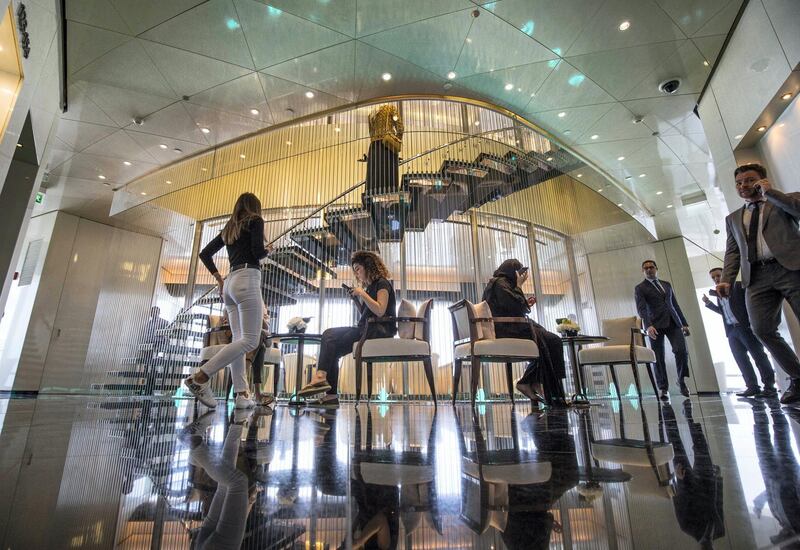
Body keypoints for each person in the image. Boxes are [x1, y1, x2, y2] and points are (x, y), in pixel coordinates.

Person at [717, 163, 800, 405]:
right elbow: (733, 252)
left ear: (762, 180)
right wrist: (726, 279)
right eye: (740, 182)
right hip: (756, 277)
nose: (744, 186)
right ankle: (797, 377)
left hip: (790, 269)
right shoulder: (733, 218)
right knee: (762, 329)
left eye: (749, 180)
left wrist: (770, 193)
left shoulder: (783, 201)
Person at [184, 192, 271, 410]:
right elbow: (257, 252)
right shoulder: (256, 220)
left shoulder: (230, 227)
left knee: (239, 340)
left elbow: (205, 254)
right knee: (251, 341)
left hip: (230, 283)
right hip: (247, 278)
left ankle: (242, 394)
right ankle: (200, 377)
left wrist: (218, 278)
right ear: (255, 207)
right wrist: (268, 250)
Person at [298, 251, 396, 407]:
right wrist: (357, 299)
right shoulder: (370, 287)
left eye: (358, 269)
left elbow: (380, 311)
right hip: (368, 328)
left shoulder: (382, 283)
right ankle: (331, 397)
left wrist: (362, 293)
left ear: (368, 266)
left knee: (329, 334)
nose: (356, 273)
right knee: (333, 350)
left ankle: (320, 376)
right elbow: (366, 314)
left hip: (379, 330)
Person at [482, 259, 566, 406]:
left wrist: (525, 301)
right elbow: (517, 307)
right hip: (507, 328)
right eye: (519, 272)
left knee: (551, 341)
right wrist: (520, 286)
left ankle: (531, 382)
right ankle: (543, 389)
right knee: (551, 341)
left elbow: (516, 306)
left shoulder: (503, 284)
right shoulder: (500, 283)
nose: (520, 276)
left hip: (512, 326)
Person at [703, 267, 776, 398]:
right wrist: (708, 303)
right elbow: (725, 312)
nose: (716, 279)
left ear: (725, 274)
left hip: (745, 328)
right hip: (731, 331)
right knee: (741, 360)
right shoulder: (718, 294)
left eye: (718, 275)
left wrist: (752, 324)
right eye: (713, 277)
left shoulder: (738, 287)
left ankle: (769, 387)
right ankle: (752, 387)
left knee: (758, 356)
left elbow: (749, 306)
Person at [662, 401, 724, 548]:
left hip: (688, 483)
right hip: (708, 482)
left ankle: (666, 409)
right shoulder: (719, 531)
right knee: (700, 444)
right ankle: (688, 414)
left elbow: (679, 503)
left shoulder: (688, 527)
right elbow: (718, 504)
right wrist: (719, 479)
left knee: (675, 444)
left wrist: (680, 480)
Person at [634, 260, 691, 399]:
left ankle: (681, 380)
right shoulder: (640, 288)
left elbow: (674, 305)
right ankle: (663, 388)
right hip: (655, 325)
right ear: (643, 271)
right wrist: (648, 326)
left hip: (674, 322)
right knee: (658, 357)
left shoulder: (666, 284)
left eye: (651, 267)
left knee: (681, 351)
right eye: (645, 268)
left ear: (656, 268)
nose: (649, 270)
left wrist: (684, 323)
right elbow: (641, 309)